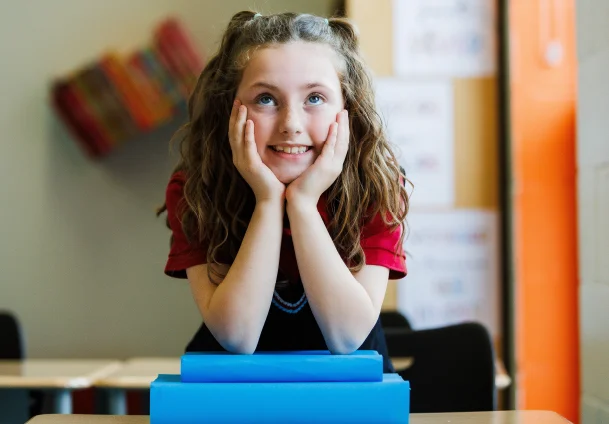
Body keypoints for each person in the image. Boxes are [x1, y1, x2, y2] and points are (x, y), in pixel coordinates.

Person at [157, 10, 409, 373]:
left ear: (347, 110)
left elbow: (347, 336)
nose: (291, 124)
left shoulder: (377, 185)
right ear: (230, 109)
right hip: (236, 397)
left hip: (348, 397)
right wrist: (267, 201)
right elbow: (238, 336)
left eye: (315, 98)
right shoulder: (197, 188)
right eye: (266, 99)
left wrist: (303, 204)